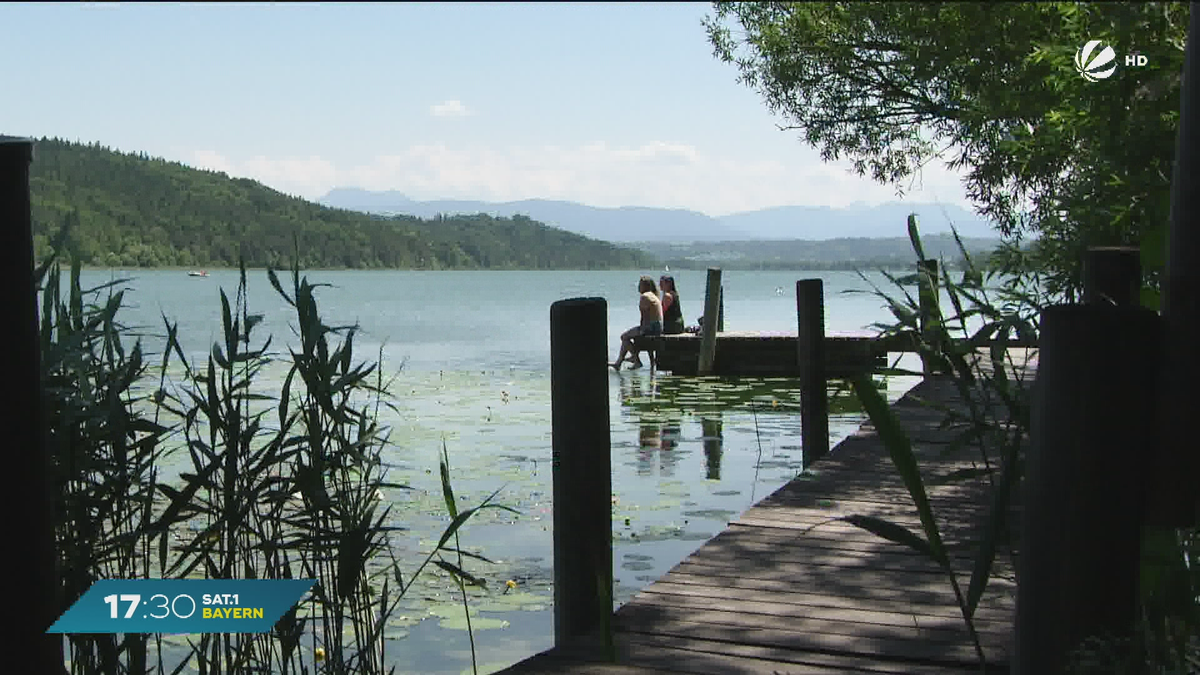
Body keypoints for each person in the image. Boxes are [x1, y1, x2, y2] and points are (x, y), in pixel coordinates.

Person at [611, 276, 662, 370]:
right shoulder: (654, 295)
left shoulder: (644, 297)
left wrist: (642, 330)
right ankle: (620, 362)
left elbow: (644, 317)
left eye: (639, 284)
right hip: (658, 327)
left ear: (644, 286)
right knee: (633, 337)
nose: (638, 287)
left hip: (650, 327)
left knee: (624, 337)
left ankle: (636, 360)